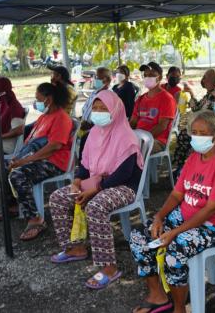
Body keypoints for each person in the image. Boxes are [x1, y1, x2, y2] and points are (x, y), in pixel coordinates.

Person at [130, 110, 215, 313]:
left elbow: (211, 209)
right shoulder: (194, 158)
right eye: (194, 132)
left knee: (177, 247)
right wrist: (159, 217)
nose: (197, 137)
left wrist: (174, 232)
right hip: (187, 215)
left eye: (203, 133)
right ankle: (158, 296)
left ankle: (180, 308)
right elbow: (176, 195)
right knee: (139, 235)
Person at [49, 90, 143, 289]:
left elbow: (124, 173)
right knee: (58, 197)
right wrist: (76, 181)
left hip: (123, 186)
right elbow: (85, 165)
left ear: (115, 111)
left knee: (96, 207)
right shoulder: (93, 133)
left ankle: (108, 267)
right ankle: (75, 247)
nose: (98, 112)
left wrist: (96, 190)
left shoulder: (126, 136)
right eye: (96, 108)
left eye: (104, 109)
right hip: (95, 182)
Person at [6, 82, 73, 240]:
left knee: (18, 175)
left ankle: (36, 219)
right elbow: (31, 142)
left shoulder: (61, 118)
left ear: (48, 100)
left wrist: (24, 161)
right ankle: (14, 206)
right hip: (38, 158)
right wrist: (18, 157)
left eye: (38, 99)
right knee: (3, 167)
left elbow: (53, 147)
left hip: (55, 162)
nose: (36, 102)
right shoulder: (44, 117)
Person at [172, 68, 215, 171]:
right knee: (183, 133)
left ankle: (183, 168)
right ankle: (182, 168)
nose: (204, 80)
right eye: (204, 78)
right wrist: (191, 93)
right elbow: (196, 108)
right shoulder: (208, 95)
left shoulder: (214, 95)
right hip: (201, 126)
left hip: (209, 129)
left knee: (185, 135)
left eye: (207, 78)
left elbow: (205, 114)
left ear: (214, 80)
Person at [130, 62, 176, 154]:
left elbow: (162, 126)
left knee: (132, 150)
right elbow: (133, 122)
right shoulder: (140, 99)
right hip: (138, 137)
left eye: (151, 75)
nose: (147, 77)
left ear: (159, 77)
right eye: (145, 75)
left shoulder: (167, 99)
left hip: (156, 140)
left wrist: (144, 139)